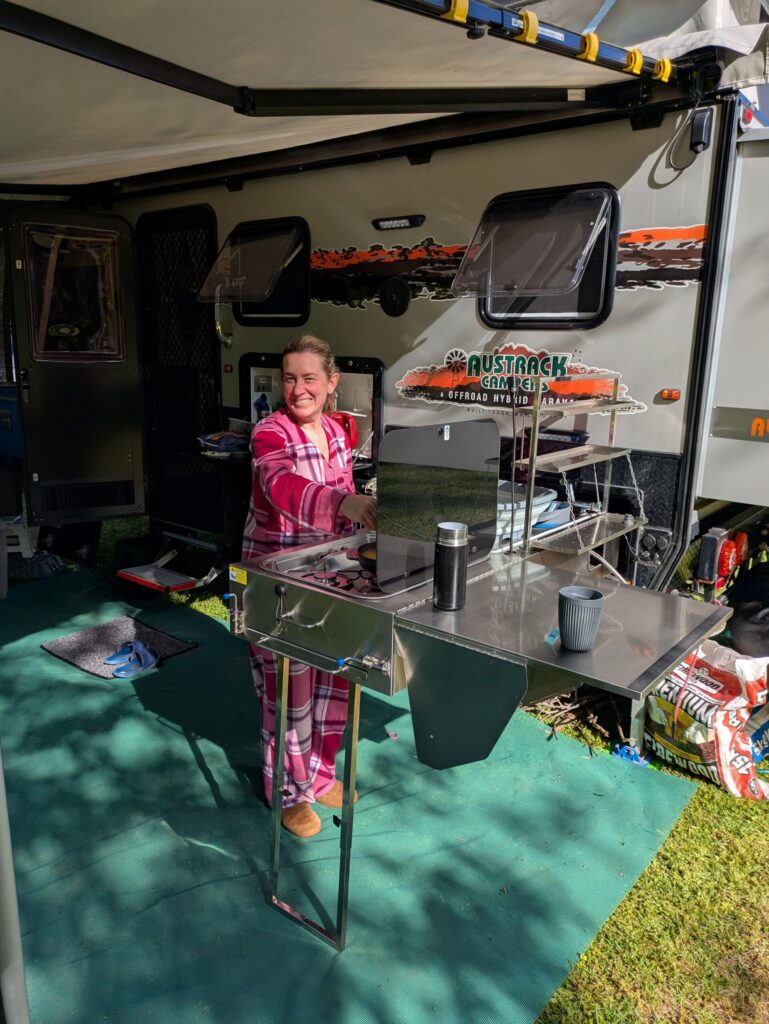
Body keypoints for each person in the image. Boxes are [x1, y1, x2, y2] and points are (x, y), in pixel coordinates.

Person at [242, 335, 377, 838]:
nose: (299, 389)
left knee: (332, 678)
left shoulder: (339, 432)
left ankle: (319, 777)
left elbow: (343, 490)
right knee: (288, 692)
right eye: (291, 378)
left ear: (331, 383)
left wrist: (362, 515)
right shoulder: (269, 433)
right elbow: (281, 487)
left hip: (328, 573)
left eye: (310, 378)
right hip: (277, 578)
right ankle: (287, 793)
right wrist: (342, 505)